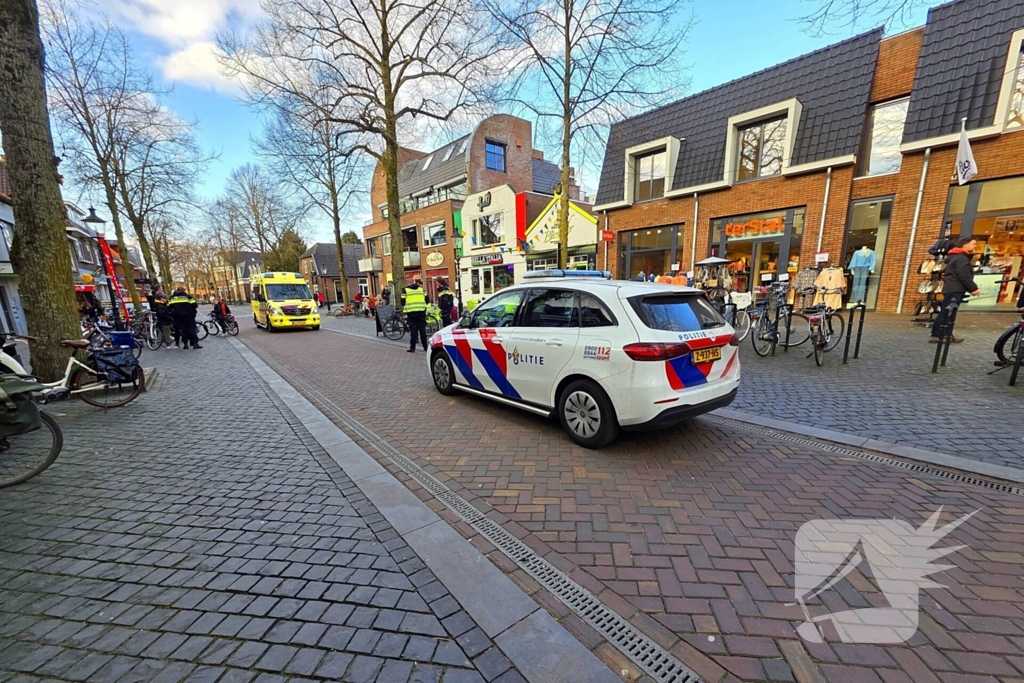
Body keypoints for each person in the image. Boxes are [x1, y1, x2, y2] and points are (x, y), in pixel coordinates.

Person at [930, 237, 980, 344]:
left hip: (954, 288)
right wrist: (973, 288)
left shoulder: (956, 257)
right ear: (965, 244)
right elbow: (963, 275)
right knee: (947, 312)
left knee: (949, 312)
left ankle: (947, 335)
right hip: (954, 289)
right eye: (973, 244)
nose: (975, 246)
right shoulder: (961, 258)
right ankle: (938, 335)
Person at [401, 280, 429, 353]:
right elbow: (427, 300)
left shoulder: (405, 290)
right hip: (421, 311)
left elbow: (402, 302)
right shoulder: (422, 290)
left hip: (411, 312)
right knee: (422, 330)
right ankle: (426, 347)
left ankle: (412, 348)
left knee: (413, 329)